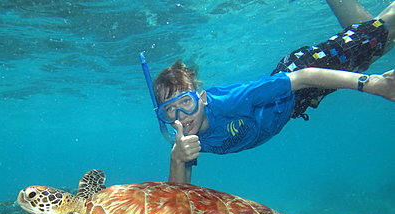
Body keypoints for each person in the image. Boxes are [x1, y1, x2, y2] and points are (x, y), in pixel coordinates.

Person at [149, 0, 395, 184]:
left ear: (201, 98)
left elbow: (304, 77)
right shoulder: (184, 141)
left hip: (305, 70)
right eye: (169, 110)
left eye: (185, 102)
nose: (180, 115)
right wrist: (177, 159)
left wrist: (371, 84)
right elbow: (179, 195)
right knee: (374, 39)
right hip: (299, 104)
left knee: (380, 36)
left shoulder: (231, 101)